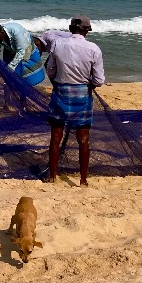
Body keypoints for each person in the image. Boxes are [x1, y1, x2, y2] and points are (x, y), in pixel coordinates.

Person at [45, 15, 105, 186]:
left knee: (56, 137)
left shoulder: (57, 44)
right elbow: (99, 80)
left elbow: (50, 70)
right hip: (82, 95)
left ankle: (52, 176)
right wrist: (88, 83)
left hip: (61, 93)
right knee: (83, 139)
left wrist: (59, 80)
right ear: (87, 31)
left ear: (71, 28)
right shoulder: (94, 49)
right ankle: (83, 180)